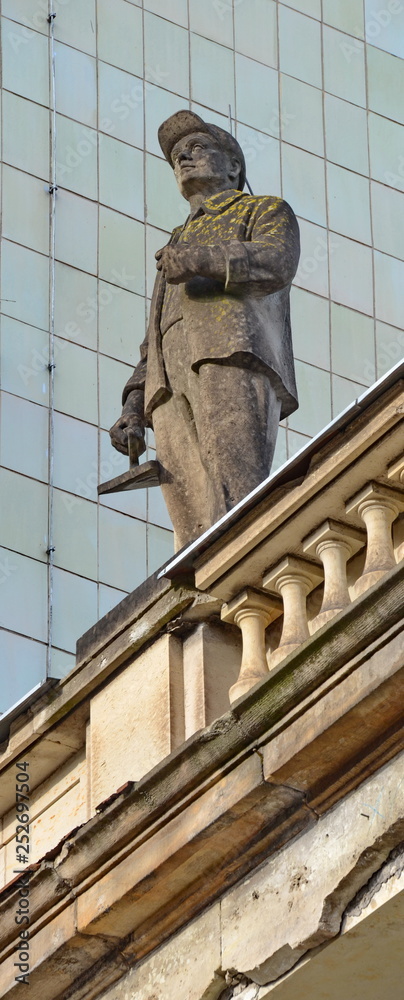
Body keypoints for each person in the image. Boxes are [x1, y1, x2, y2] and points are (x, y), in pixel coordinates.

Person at [110, 110, 300, 550]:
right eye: (177, 156)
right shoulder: (177, 238)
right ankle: (201, 600)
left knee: (234, 490)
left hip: (229, 353)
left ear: (233, 166)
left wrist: (199, 261)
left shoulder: (262, 209)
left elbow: (276, 262)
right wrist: (134, 404)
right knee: (188, 507)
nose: (183, 159)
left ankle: (237, 575)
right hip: (167, 382)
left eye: (196, 149)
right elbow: (151, 338)